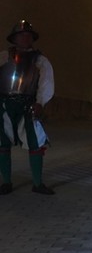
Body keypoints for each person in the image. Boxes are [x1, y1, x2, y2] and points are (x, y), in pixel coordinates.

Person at [0, 20, 55, 195]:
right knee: (2, 143)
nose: (24, 38)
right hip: (4, 105)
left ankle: (37, 184)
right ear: (14, 38)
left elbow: (46, 82)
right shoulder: (3, 57)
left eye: (28, 35)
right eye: (21, 35)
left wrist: (40, 102)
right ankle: (6, 182)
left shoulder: (40, 60)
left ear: (32, 38)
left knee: (36, 142)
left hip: (28, 105)